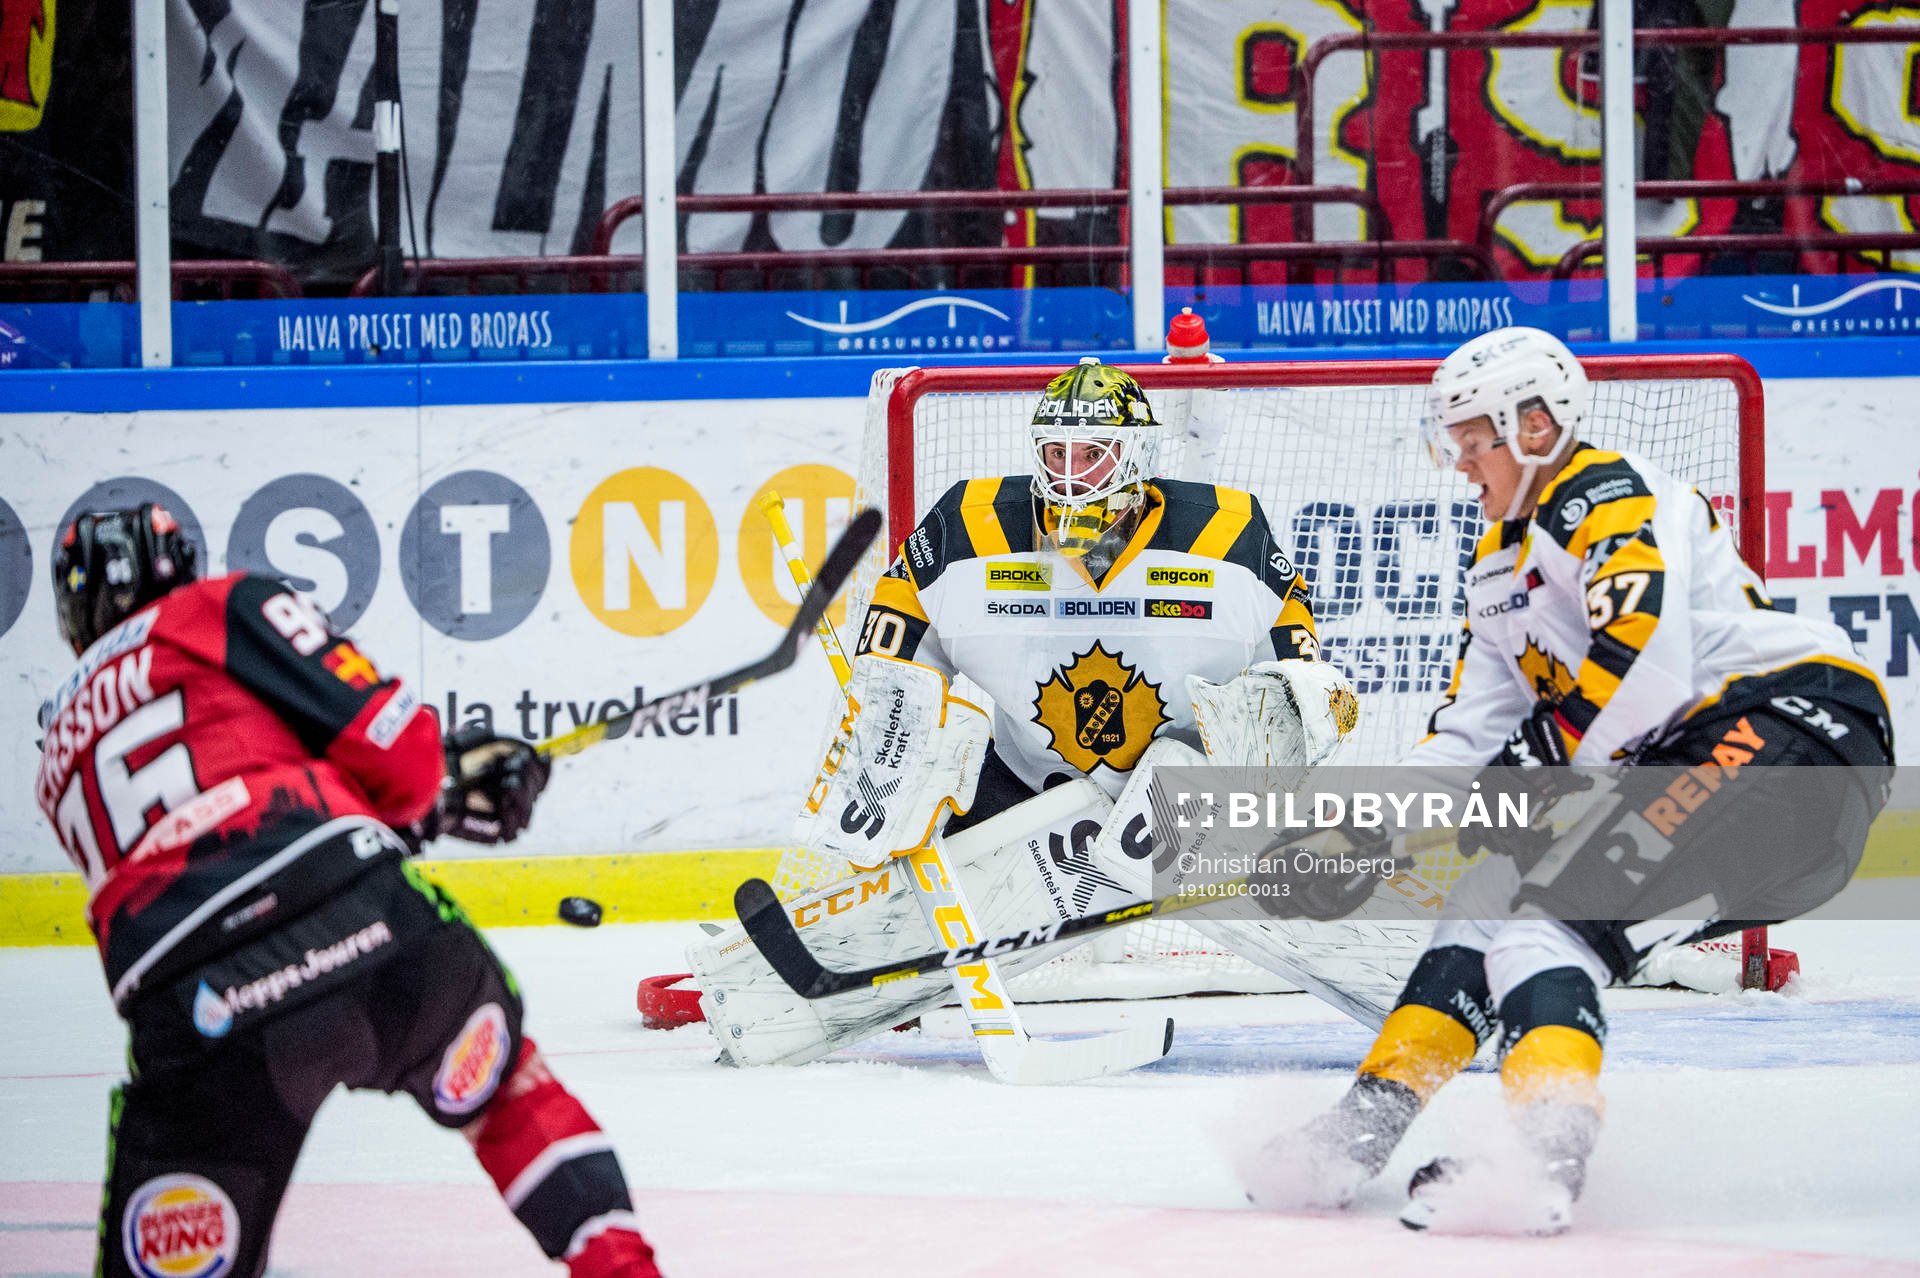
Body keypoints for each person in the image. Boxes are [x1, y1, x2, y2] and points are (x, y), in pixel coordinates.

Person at [1240, 327, 1894, 1234]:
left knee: (1542, 920)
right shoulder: (1498, 571)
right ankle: (1362, 1130)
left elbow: (1641, 674)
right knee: (1493, 900)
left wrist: (1485, 798)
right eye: (1454, 441)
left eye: (1476, 438)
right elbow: (1473, 738)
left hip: (1794, 732)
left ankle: (1542, 1160)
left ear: (1537, 424)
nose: (1461, 462)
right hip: (1718, 772)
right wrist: (1356, 830)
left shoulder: (1607, 495)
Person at [689, 357, 1396, 1067]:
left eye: (1092, 453)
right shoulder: (969, 526)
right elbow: (899, 629)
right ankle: (757, 997)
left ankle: (1442, 999)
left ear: (1138, 454)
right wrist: (903, 740)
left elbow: (1305, 681)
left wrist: (1250, 750)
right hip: (1028, 795)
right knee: (879, 922)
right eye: (1055, 453)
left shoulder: (1228, 535)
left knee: (1348, 928)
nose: (1070, 473)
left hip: (1181, 805)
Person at [36, 504, 662, 1278]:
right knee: (506, 1093)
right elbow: (396, 762)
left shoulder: (57, 743)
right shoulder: (220, 607)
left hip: (198, 1009)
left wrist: (408, 803)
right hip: (368, 928)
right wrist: (436, 784)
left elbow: (204, 835)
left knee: (180, 1249)